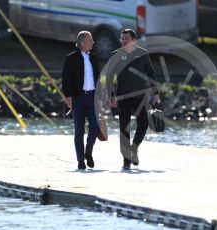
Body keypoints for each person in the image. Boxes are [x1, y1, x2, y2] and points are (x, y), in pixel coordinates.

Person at [106, 29, 160, 170]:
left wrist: (156, 93)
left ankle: (134, 149)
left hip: (140, 97)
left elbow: (151, 74)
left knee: (143, 124)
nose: (123, 41)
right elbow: (109, 77)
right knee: (124, 128)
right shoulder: (116, 55)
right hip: (122, 97)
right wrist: (111, 95)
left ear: (133, 40)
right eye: (122, 39)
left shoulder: (142, 54)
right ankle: (126, 161)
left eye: (126, 39)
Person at [62, 31, 100, 170]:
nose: (93, 42)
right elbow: (65, 79)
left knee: (95, 127)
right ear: (82, 42)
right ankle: (80, 161)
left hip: (92, 97)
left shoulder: (94, 58)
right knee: (79, 130)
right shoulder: (71, 58)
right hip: (78, 98)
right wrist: (67, 96)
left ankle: (88, 153)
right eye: (91, 40)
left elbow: (99, 78)